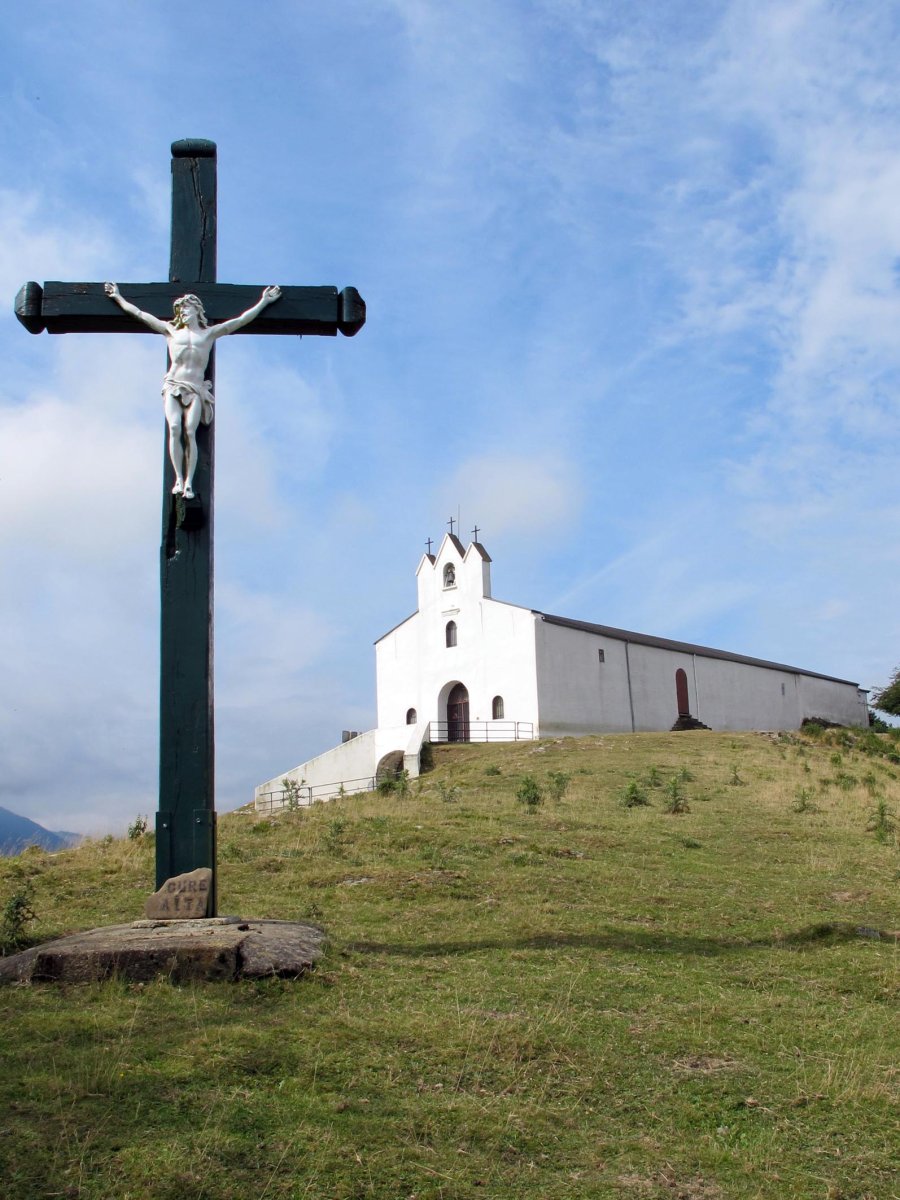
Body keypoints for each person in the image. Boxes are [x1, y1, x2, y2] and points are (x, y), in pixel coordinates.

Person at [105, 282, 282, 498]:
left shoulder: (208, 335)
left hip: (196, 388)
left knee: (190, 431)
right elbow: (140, 314)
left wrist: (264, 301)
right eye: (180, 310)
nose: (182, 313)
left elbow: (240, 320)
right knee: (175, 428)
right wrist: (118, 297)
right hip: (173, 385)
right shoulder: (170, 331)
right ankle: (179, 479)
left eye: (186, 309)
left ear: (197, 310)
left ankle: (189, 482)